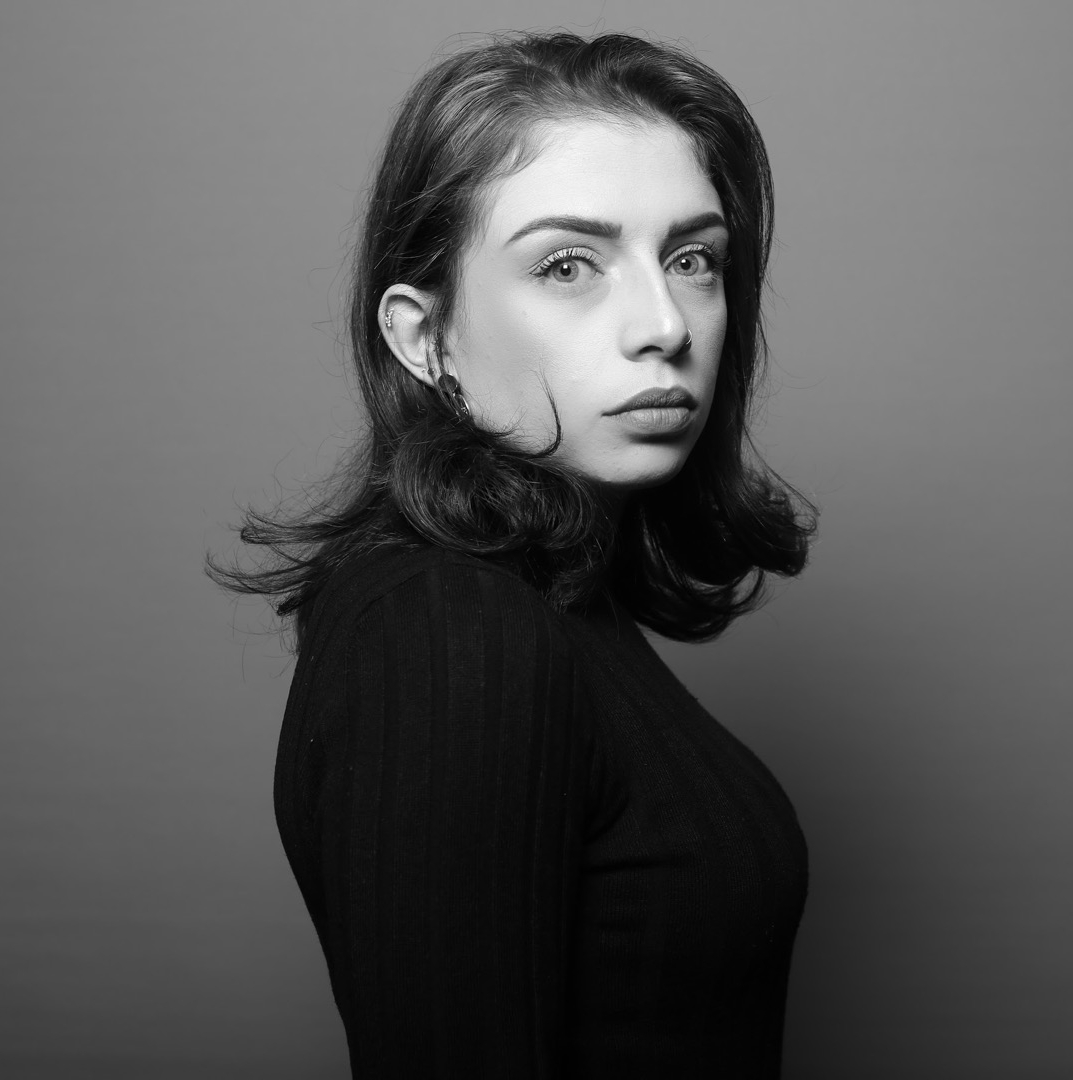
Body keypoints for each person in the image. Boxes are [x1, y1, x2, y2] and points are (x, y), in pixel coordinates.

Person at [211, 30, 816, 1078]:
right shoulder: (447, 630)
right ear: (424, 336)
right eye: (567, 265)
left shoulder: (553, 602)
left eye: (692, 259)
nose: (665, 325)